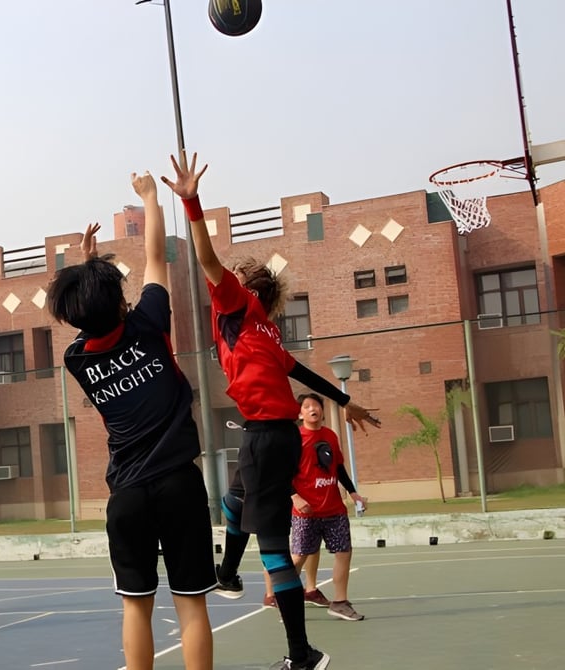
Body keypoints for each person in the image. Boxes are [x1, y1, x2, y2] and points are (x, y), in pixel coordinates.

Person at [162, 151, 381, 670]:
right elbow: (299, 371)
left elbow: (208, 261)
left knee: (275, 547)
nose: (229, 276)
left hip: (267, 435)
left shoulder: (238, 304)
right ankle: (229, 574)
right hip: (267, 436)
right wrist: (346, 401)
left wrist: (192, 203)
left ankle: (302, 654)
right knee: (234, 500)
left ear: (246, 285)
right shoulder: (264, 327)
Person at [46, 171, 216, 670]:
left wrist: (85, 268)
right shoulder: (148, 323)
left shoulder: (76, 359)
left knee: (137, 608)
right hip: (179, 485)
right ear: (120, 301)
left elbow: (90, 312)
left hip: (128, 496)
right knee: (191, 605)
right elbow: (156, 259)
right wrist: (149, 197)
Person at [290, 393, 367, 622]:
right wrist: (294, 496)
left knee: (344, 552)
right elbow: (281, 472)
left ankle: (340, 602)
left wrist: (353, 492)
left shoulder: (330, 436)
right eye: (307, 406)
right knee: (298, 558)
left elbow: (339, 468)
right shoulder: (294, 438)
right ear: (300, 413)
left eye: (316, 405)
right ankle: (284, 601)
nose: (313, 408)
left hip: (334, 509)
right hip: (306, 512)